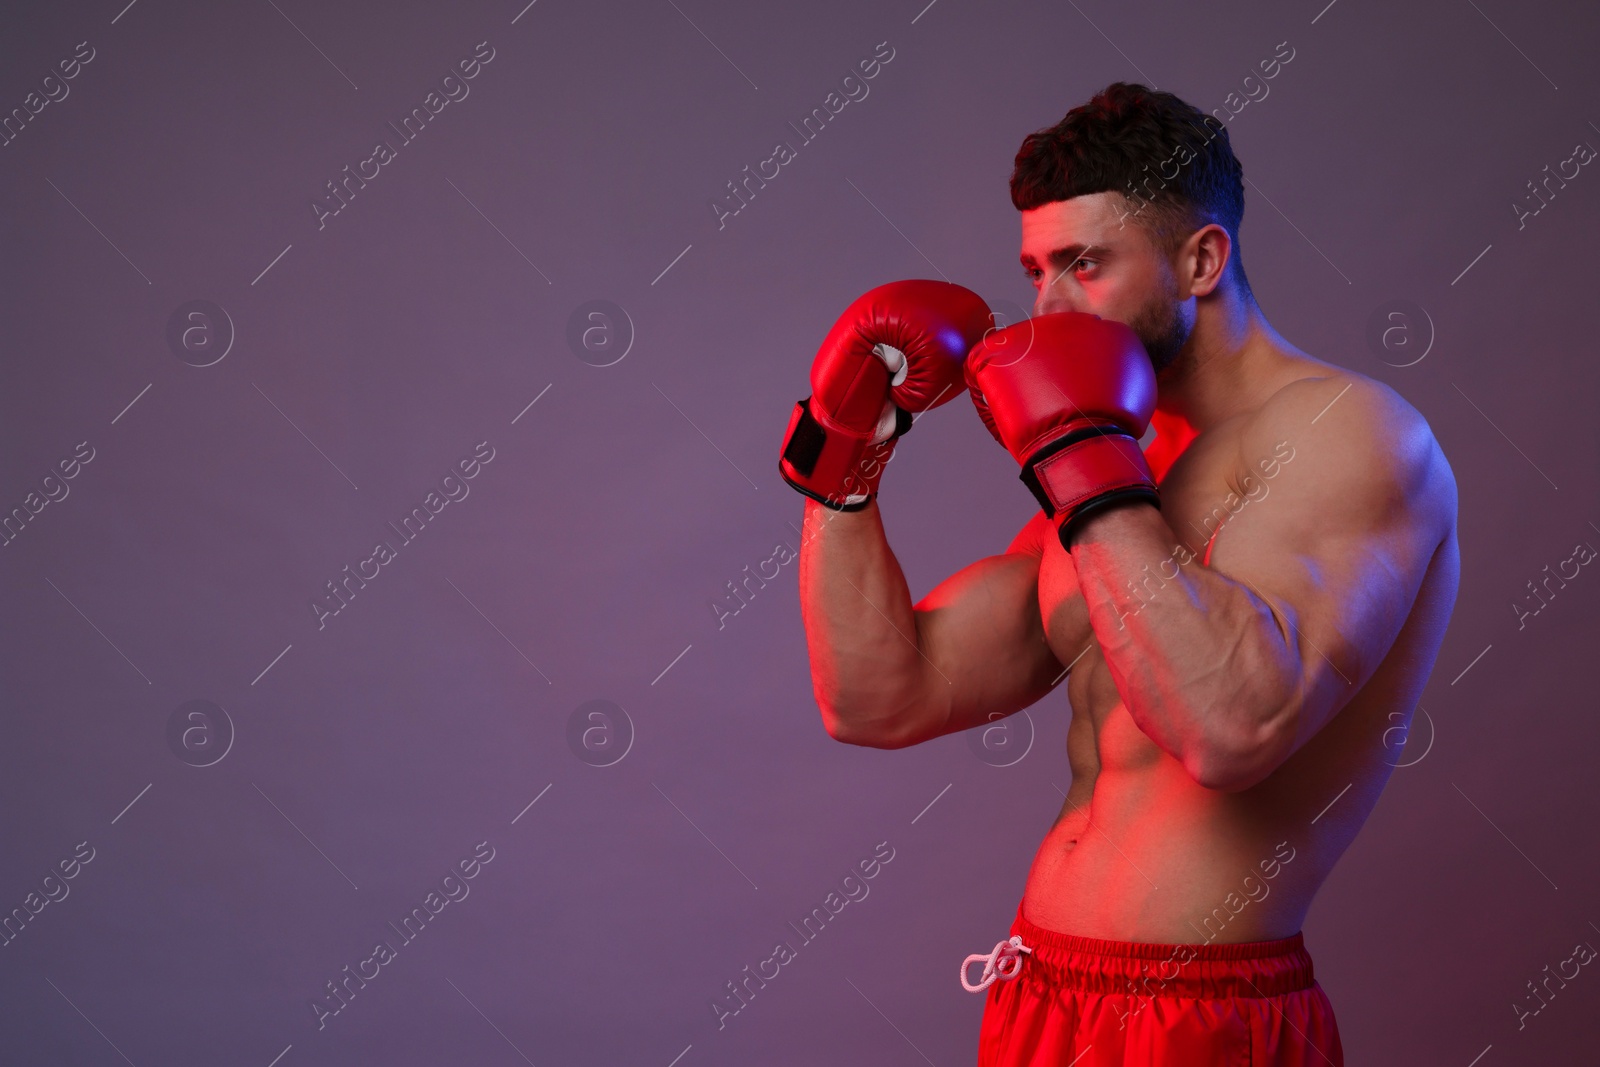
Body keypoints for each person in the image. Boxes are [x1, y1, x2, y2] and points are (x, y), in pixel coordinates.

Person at [778, 82, 1460, 1065]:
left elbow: (1231, 729)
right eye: (1034, 270)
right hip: (1041, 995)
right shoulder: (1117, 472)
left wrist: (1082, 463)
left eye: (1082, 264)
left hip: (1199, 1018)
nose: (1044, 307)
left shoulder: (1347, 435)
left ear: (1199, 258)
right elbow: (881, 698)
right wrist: (843, 455)